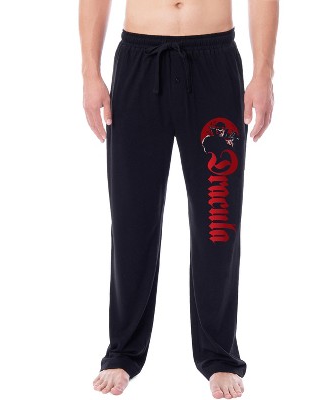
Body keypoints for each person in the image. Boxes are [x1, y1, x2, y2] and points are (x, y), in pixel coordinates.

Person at [79, 0, 278, 398]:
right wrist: (90, 73)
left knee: (217, 220)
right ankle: (123, 352)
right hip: (139, 63)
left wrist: (263, 73)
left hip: (214, 63)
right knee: (132, 220)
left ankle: (219, 356)